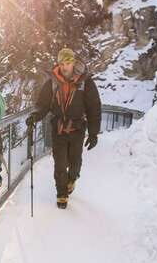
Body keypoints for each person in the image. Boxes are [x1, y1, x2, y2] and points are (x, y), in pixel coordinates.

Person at [26, 47, 102, 209]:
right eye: (61, 63)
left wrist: (93, 133)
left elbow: (94, 108)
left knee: (75, 163)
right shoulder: (52, 83)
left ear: (73, 62)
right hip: (58, 129)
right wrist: (34, 116)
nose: (64, 66)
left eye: (68, 62)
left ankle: (72, 179)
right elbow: (42, 105)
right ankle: (61, 194)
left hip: (77, 128)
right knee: (60, 163)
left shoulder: (85, 82)